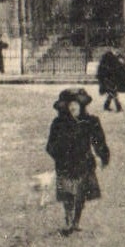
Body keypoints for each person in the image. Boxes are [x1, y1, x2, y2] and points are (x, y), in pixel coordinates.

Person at [46, 87, 109, 235]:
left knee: (81, 194)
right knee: (68, 194)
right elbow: (50, 145)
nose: (73, 107)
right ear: (65, 107)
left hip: (84, 163)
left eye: (76, 104)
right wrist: (60, 155)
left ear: (81, 105)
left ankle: (76, 221)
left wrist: (103, 155)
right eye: (70, 105)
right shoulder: (58, 123)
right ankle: (68, 220)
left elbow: (99, 140)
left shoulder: (90, 121)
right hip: (65, 164)